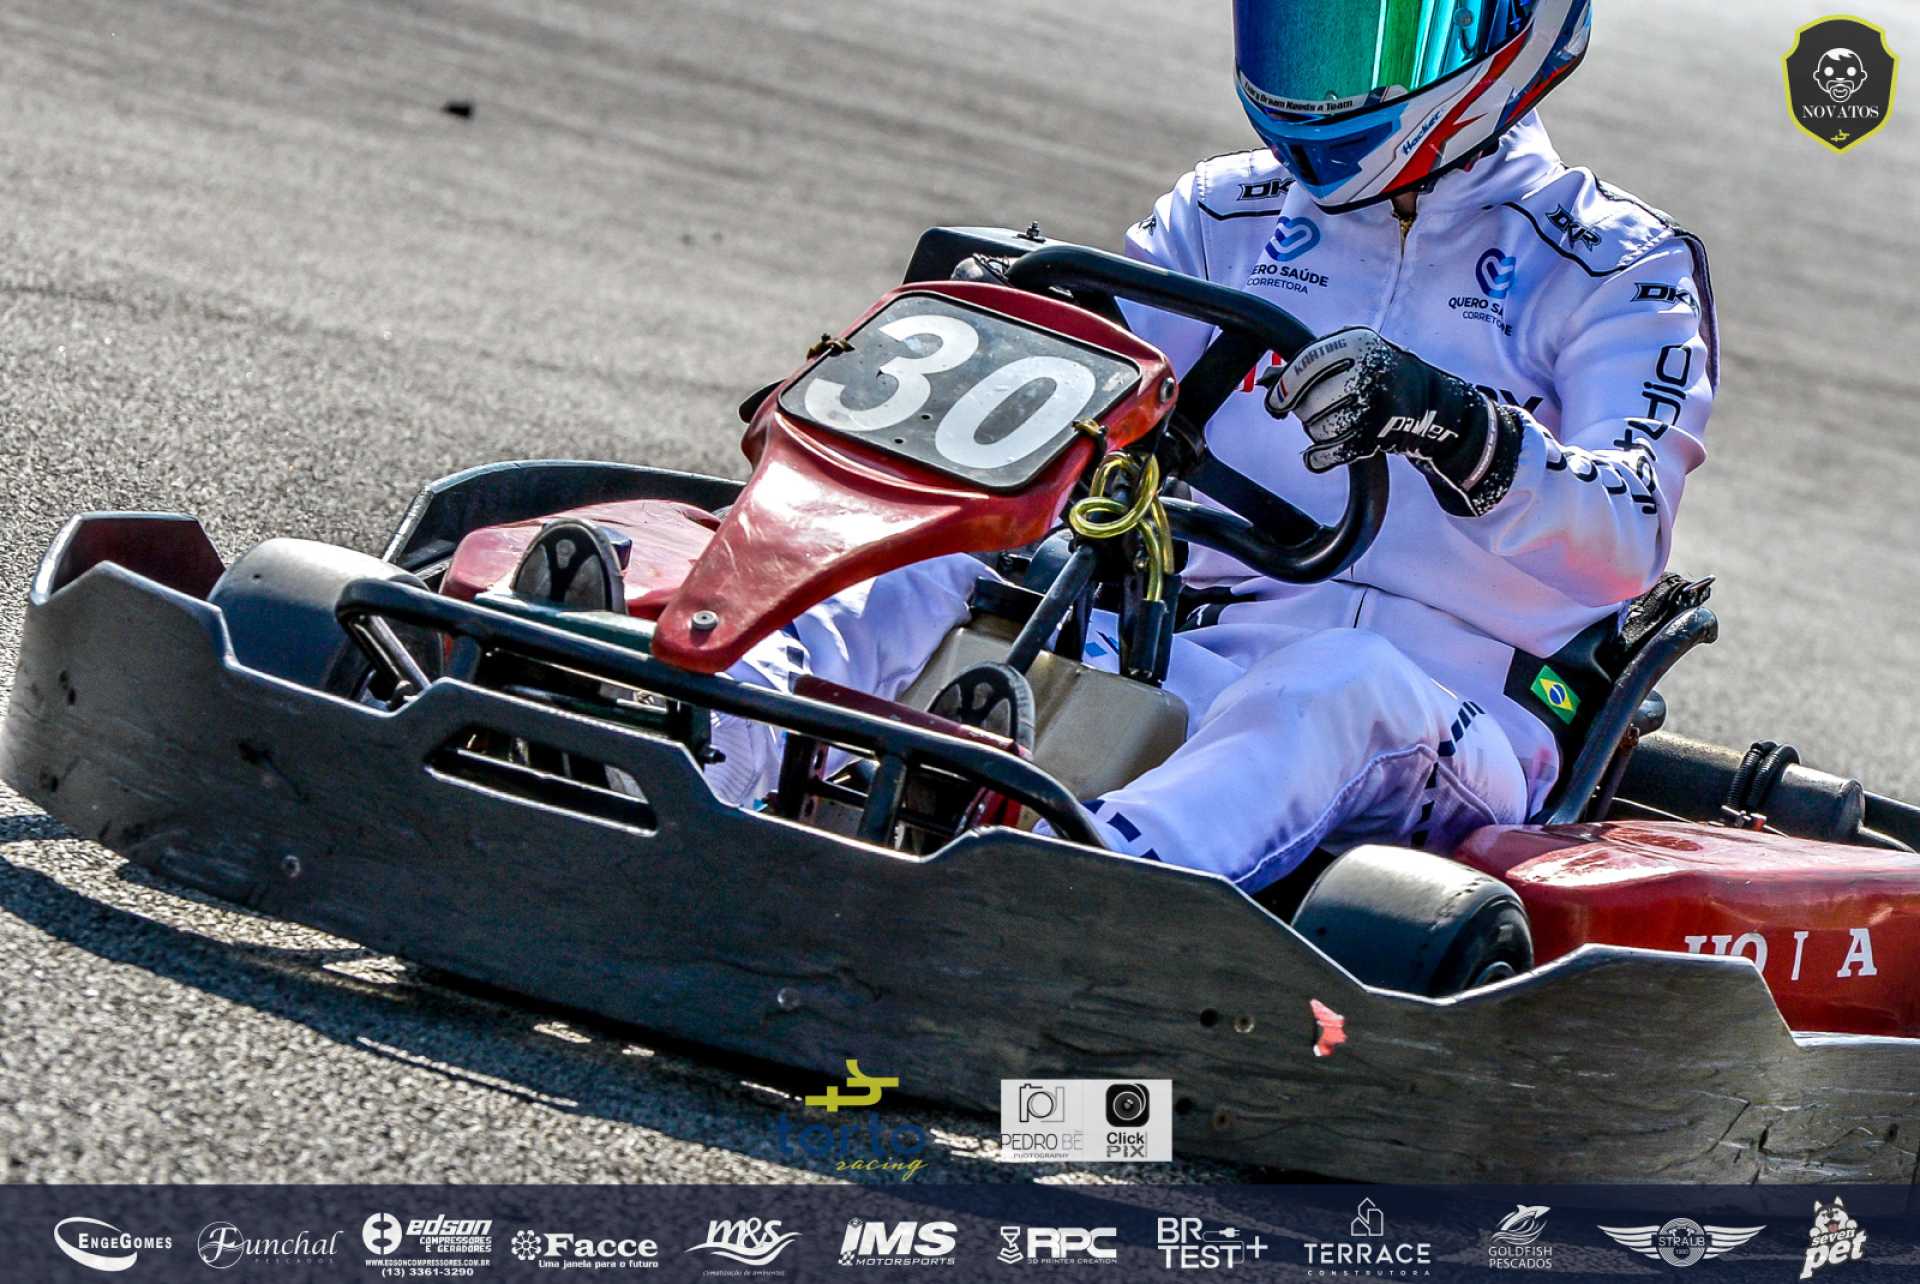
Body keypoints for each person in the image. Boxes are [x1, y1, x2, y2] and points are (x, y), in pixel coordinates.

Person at [701, 0, 1716, 894]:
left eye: (1373, 33)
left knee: (1335, 682)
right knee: (928, 551)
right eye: (1311, 27)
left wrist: (1456, 426)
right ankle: (714, 752)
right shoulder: (1225, 214)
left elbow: (1627, 533)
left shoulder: (1613, 262)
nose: (1331, 73)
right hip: (1192, 654)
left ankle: (1054, 888)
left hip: (1456, 713)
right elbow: (1082, 412)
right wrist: (998, 342)